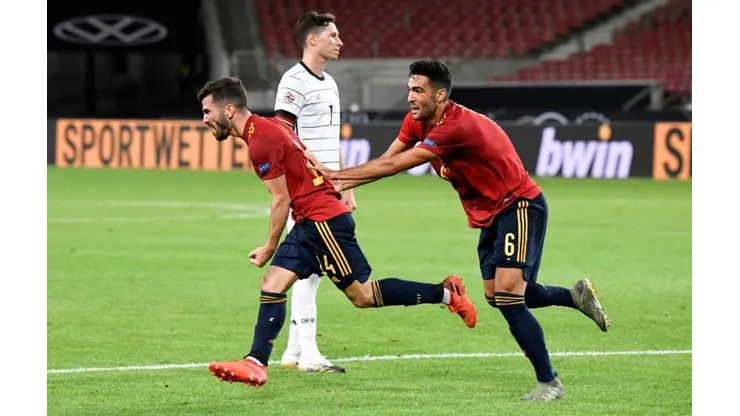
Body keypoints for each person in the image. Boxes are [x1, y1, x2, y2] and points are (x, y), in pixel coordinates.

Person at [311, 60, 611, 402]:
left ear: (440, 95)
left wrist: (336, 176)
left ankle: (549, 382)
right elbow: (387, 159)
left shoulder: (455, 127)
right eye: (409, 89)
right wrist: (344, 184)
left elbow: (395, 165)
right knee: (497, 295)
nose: (410, 97)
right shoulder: (417, 121)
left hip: (519, 205)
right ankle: (573, 296)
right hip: (490, 215)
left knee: (509, 296)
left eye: (418, 90)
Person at [196, 76, 477, 388]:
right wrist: (333, 184)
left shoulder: (260, 141)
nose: (205, 119)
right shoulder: (271, 126)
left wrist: (268, 247)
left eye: (208, 111)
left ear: (229, 110)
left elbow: (280, 200)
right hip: (310, 220)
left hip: (322, 222)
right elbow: (307, 155)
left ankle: (446, 293)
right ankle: (256, 363)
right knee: (272, 284)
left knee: (363, 295)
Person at [272, 11, 353, 373]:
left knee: (311, 269)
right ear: (312, 40)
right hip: (305, 190)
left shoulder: (330, 82)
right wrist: (309, 171)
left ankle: (293, 352)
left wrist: (344, 183)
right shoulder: (293, 80)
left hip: (328, 188)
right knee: (308, 269)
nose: (339, 41)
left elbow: (332, 139)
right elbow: (282, 134)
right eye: (333, 35)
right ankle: (309, 353)